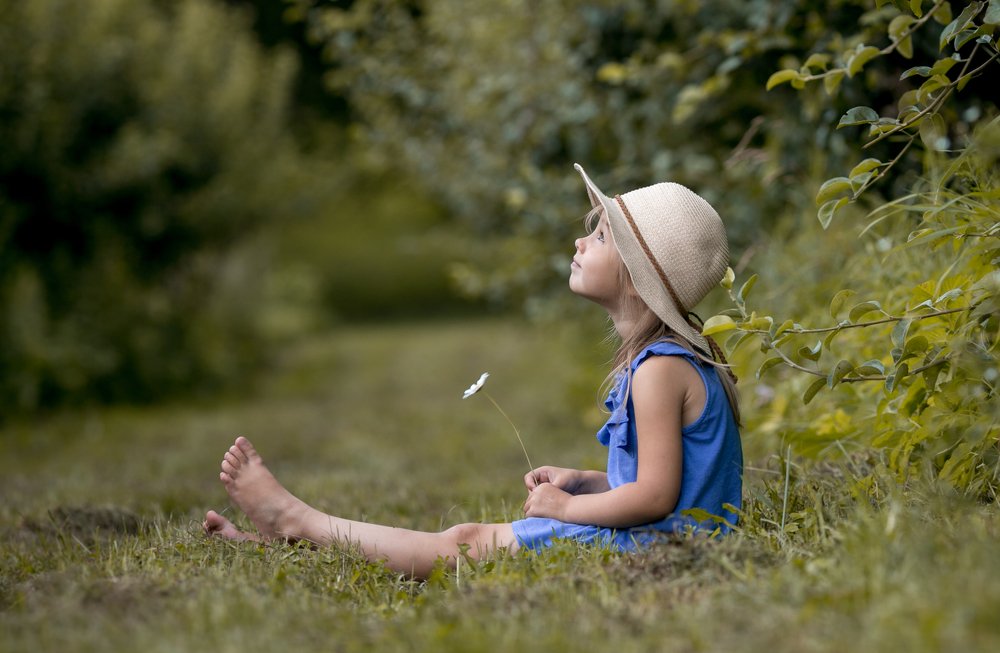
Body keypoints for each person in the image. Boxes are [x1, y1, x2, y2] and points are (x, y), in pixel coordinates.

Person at [203, 163, 743, 578]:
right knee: (468, 538)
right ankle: (296, 542)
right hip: (668, 535)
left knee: (463, 544)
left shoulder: (658, 371)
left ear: (636, 279)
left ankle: (295, 521)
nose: (580, 241)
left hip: (660, 547)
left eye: (600, 237)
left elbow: (655, 498)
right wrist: (586, 482)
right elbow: (668, 483)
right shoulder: (669, 362)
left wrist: (567, 509)